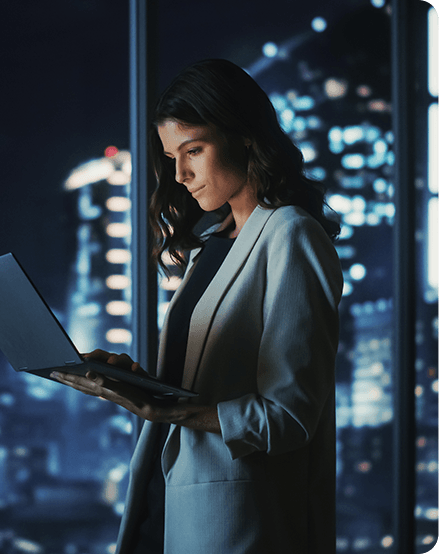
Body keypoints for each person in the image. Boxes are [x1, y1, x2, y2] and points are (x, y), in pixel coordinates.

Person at [51, 59, 343, 554]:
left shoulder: (291, 235)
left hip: (237, 521)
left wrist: (172, 409)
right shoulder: (210, 246)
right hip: (163, 500)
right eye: (171, 158)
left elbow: (290, 418)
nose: (181, 174)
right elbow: (199, 387)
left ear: (245, 136)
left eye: (194, 150)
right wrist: (137, 383)